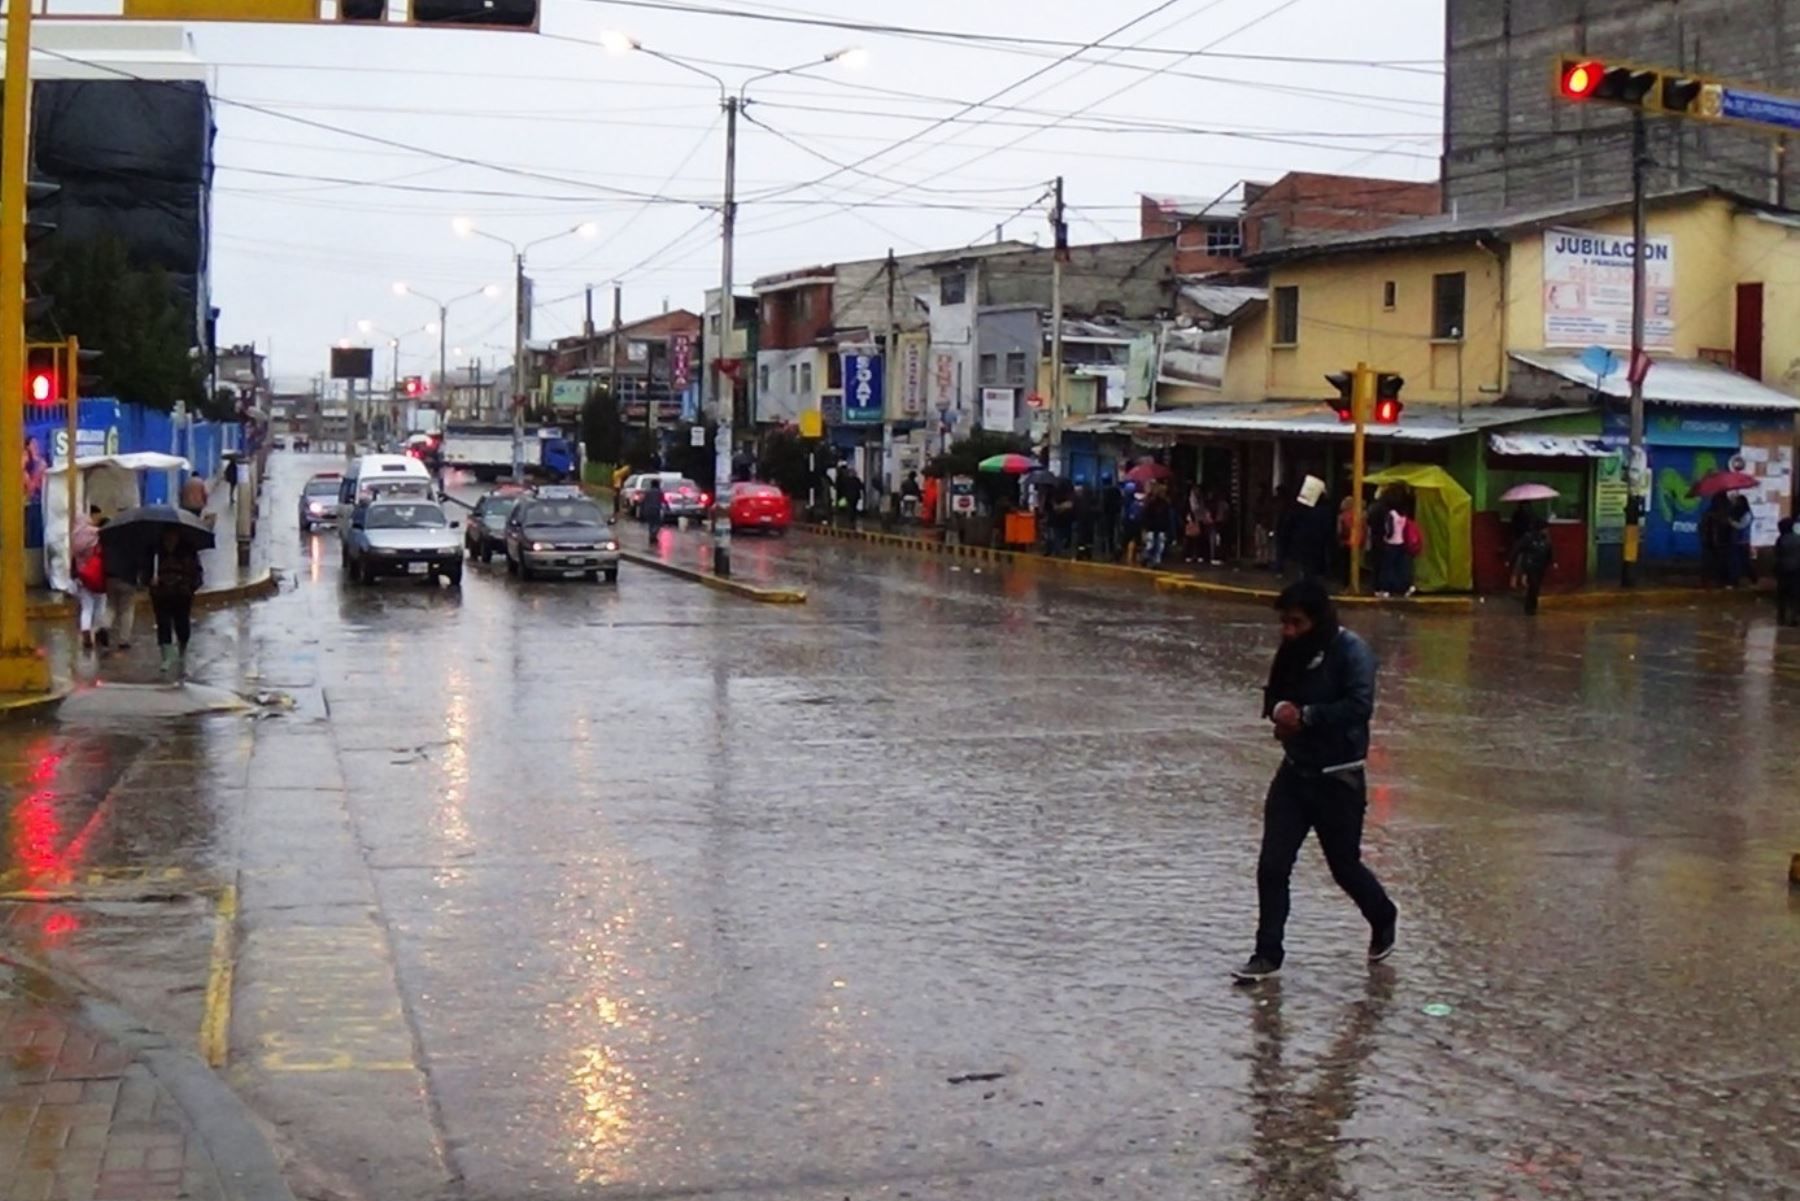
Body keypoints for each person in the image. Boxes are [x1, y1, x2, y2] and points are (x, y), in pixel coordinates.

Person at [1235, 578, 1397, 983]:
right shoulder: (1290, 653)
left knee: (1344, 866)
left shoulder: (1353, 653)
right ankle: (1267, 953)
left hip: (1338, 780)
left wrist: (1306, 717)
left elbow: (1359, 707)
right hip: (1294, 775)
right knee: (1272, 865)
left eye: (1296, 623)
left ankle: (1383, 915)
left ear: (1318, 619)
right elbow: (1275, 698)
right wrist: (1281, 714)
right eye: (1284, 624)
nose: (1288, 632)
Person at [147, 526, 203, 680]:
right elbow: (147, 569)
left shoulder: (188, 551)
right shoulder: (155, 551)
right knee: (163, 623)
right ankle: (166, 656)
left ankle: (182, 650)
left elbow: (197, 572)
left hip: (181, 593)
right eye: (167, 535)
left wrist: (190, 586)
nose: (170, 538)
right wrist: (150, 580)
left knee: (182, 622)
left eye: (173, 535)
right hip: (161, 593)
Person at [71, 506, 108, 651]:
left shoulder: (74, 536)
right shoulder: (95, 534)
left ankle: (85, 629)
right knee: (100, 604)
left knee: (86, 606)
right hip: (97, 574)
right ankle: (98, 630)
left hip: (82, 575)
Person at [1511, 518, 1554, 616]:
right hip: (1530, 565)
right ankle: (1529, 607)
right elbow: (1517, 549)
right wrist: (1510, 560)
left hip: (1540, 566)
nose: (1547, 531)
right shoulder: (1528, 538)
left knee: (1536, 587)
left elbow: (1549, 551)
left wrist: (1552, 562)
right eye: (1545, 529)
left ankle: (1532, 606)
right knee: (1533, 585)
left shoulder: (1546, 539)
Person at [1700, 494, 1732, 587]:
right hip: (1718, 542)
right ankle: (1717, 580)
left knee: (1715, 563)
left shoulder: (1710, 512)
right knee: (1719, 562)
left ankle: (1713, 580)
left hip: (1717, 542)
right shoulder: (1721, 513)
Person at [1140, 484, 1171, 567]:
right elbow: (1146, 515)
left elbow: (1167, 517)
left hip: (1161, 528)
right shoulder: (1151, 503)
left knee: (1160, 546)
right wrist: (1145, 527)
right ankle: (1145, 557)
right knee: (1151, 545)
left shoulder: (1165, 504)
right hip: (1152, 527)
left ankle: (1155, 562)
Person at [1730, 494, 1758, 586]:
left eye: (1738, 502)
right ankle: (1735, 582)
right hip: (1735, 541)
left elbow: (1741, 526)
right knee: (1735, 562)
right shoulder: (1735, 512)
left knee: (1745, 562)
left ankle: (1754, 579)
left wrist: (1731, 522)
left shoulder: (1747, 514)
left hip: (1743, 541)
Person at [1776, 518, 1800, 626]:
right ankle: (1793, 617)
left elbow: (1777, 554)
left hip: (1783, 569)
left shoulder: (1781, 539)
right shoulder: (1797, 539)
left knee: (1782, 595)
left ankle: (1781, 617)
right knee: (1794, 595)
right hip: (1796, 570)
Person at [642, 477, 666, 545]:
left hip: (648, 510)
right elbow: (663, 501)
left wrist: (643, 510)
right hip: (656, 510)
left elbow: (643, 501)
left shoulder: (647, 492)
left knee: (651, 524)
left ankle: (652, 536)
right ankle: (653, 534)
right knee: (657, 524)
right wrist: (667, 508)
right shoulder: (660, 492)